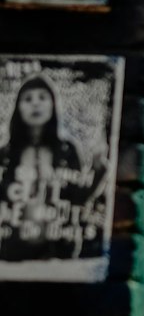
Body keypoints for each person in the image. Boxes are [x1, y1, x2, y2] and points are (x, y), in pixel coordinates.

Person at [0, 77, 105, 265]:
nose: (35, 104)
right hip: (11, 253)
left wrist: (99, 171)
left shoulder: (67, 150)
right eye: (28, 99)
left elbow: (78, 198)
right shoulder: (6, 154)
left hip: (58, 252)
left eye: (42, 97)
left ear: (53, 104)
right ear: (18, 107)